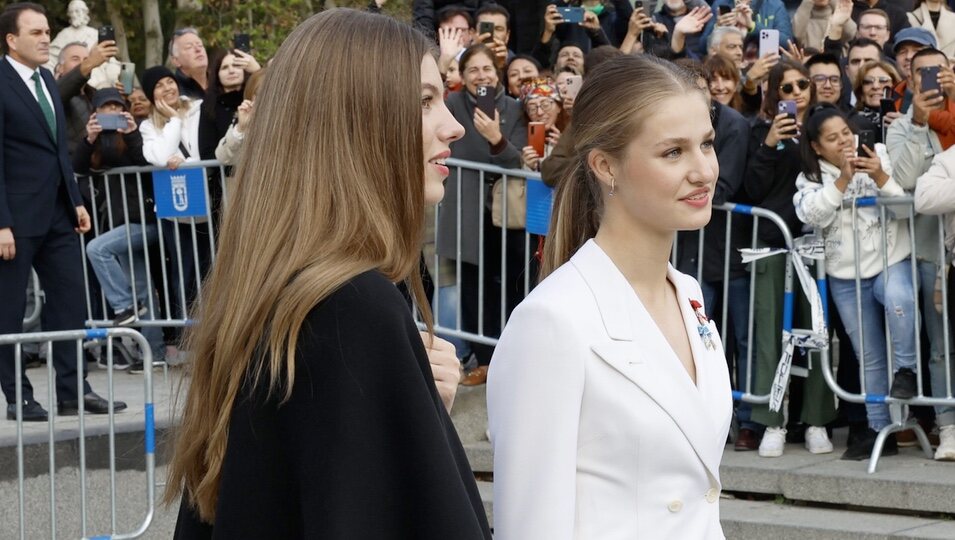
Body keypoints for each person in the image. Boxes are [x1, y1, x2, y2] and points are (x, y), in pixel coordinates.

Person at [166, 9, 491, 539]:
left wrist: (413, 412)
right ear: (355, 122)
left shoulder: (274, 290)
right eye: (423, 102)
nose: (453, 125)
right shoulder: (351, 304)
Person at [488, 54, 730, 539]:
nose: (704, 171)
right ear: (605, 165)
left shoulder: (688, 294)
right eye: (673, 152)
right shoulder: (552, 320)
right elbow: (531, 526)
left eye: (706, 144)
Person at [0, 2, 125, 421]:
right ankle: (19, 397)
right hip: (14, 221)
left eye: (46, 30)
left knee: (70, 302)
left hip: (59, 214)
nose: (44, 38)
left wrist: (75, 202)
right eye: (35, 32)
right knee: (9, 312)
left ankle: (74, 393)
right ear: (11, 40)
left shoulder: (47, 83)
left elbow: (58, 149)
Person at [794, 103, 917, 460]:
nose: (844, 142)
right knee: (870, 356)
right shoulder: (812, 175)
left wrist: (879, 176)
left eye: (846, 133)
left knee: (901, 299)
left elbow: (902, 209)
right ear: (817, 147)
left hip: (891, 258)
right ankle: (879, 430)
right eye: (832, 139)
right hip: (845, 275)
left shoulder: (876, 154)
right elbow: (812, 213)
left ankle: (907, 369)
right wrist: (843, 179)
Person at [744, 59, 837, 457]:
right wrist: (769, 143)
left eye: (803, 84)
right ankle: (772, 422)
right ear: (773, 93)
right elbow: (751, 188)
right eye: (787, 87)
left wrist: (805, 143)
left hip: (815, 245)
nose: (797, 91)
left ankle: (816, 420)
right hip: (771, 243)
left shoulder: (820, 130)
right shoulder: (757, 130)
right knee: (769, 337)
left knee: (817, 333)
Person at [438, 43, 527, 386]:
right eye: (472, 70)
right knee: (474, 288)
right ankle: (486, 361)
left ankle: (514, 356)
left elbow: (517, 160)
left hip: (507, 214)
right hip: (467, 210)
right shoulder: (453, 105)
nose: (481, 76)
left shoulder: (514, 108)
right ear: (463, 76)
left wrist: (496, 138)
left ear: (497, 72)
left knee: (509, 286)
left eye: (486, 69)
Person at [885, 47, 955, 461]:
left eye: (939, 72)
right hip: (928, 251)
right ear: (910, 81)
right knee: (941, 347)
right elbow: (906, 179)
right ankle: (948, 426)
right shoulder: (900, 128)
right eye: (922, 74)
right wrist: (917, 122)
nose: (931, 80)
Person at [74, 88, 165, 370]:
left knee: (96, 248)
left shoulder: (136, 137)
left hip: (145, 222)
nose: (112, 112)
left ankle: (124, 307)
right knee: (142, 286)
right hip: (119, 225)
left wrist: (132, 131)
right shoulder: (99, 145)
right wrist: (89, 138)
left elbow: (144, 161)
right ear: (96, 114)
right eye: (106, 108)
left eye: (117, 107)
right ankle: (155, 353)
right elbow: (78, 166)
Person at [519, 77, 566, 172]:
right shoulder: (521, 138)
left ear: (559, 107)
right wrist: (529, 166)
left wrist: (566, 149)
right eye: (532, 108)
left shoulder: (573, 132)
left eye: (545, 105)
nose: (539, 112)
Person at [850, 59, 901, 141]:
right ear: (861, 92)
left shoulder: (907, 118)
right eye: (868, 82)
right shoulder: (850, 123)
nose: (875, 86)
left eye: (883, 80)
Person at [169, 28, 208, 100]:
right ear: (176, 61)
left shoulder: (220, 81)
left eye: (200, 45)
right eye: (189, 47)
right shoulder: (173, 92)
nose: (198, 49)